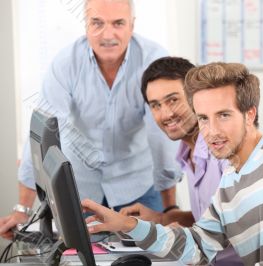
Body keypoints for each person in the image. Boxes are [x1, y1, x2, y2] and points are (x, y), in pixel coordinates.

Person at [83, 62, 263, 265]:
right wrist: (127, 225)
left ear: (249, 114)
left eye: (223, 115)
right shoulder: (230, 180)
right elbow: (198, 245)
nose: (211, 131)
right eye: (203, 119)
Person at [0, 0, 181, 240]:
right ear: (85, 25)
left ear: (132, 25)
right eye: (97, 23)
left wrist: (169, 208)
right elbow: (42, 131)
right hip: (83, 191)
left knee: (151, 256)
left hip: (139, 185)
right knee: (83, 257)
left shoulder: (153, 59)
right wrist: (23, 210)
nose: (108, 34)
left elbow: (161, 136)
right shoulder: (65, 63)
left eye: (118, 23)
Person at [119, 56, 242, 265]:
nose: (166, 113)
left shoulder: (225, 152)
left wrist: (175, 238)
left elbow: (241, 230)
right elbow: (210, 219)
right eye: (155, 105)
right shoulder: (188, 152)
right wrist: (160, 219)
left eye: (173, 100)